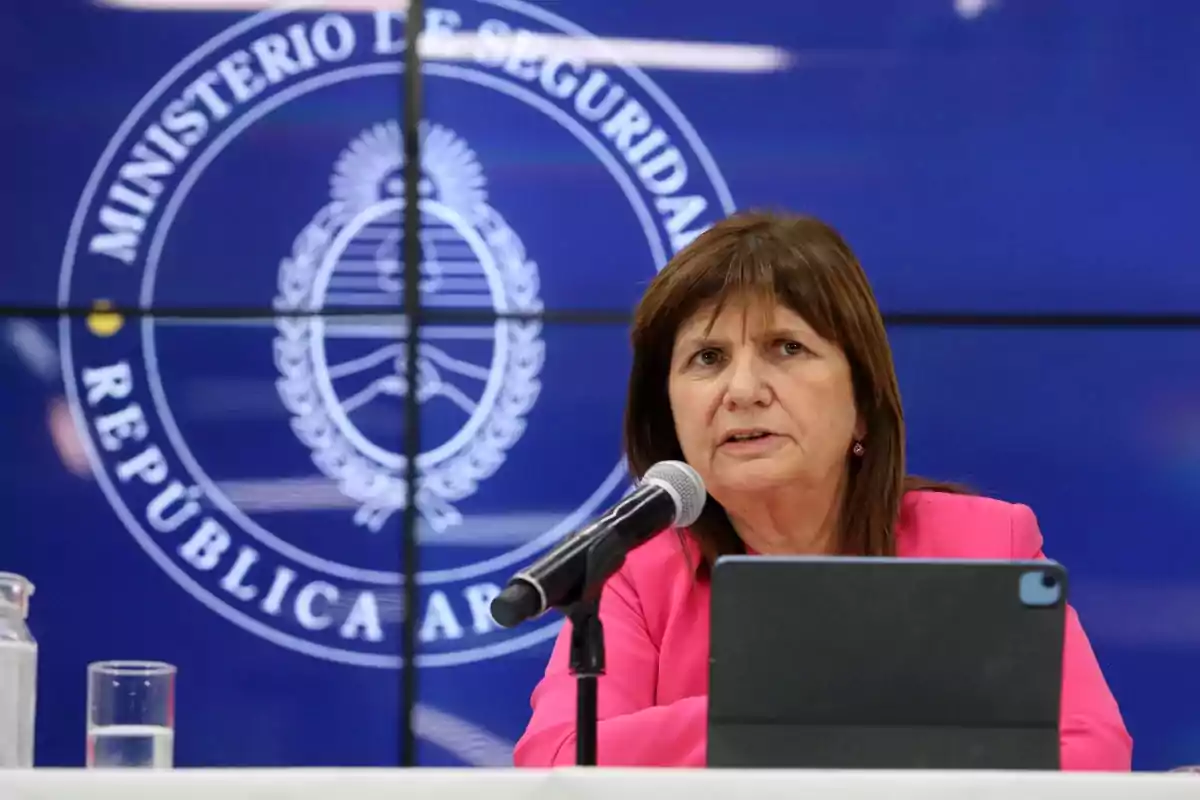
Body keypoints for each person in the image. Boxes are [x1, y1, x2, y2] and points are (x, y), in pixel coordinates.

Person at [512, 211, 1133, 771]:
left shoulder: (981, 544)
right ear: (668, 413)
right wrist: (799, 711)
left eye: (787, 348)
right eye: (707, 357)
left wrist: (785, 729)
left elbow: (1090, 751)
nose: (743, 389)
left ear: (862, 404)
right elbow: (561, 757)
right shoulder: (633, 577)